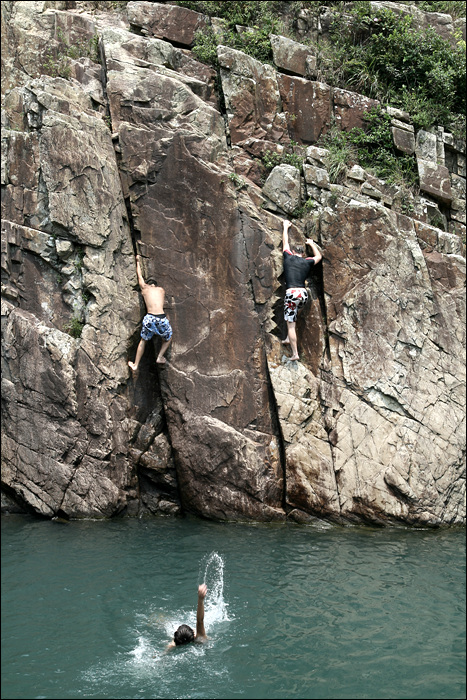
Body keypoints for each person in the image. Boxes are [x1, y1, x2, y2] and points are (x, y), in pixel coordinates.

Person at [281, 219, 322, 361]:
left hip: (292, 293)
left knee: (291, 323)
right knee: (292, 316)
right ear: (303, 254)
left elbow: (285, 242)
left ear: (293, 252)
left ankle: (295, 354)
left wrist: (285, 227)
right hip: (303, 295)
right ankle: (287, 338)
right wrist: (311, 243)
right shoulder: (307, 262)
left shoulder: (287, 256)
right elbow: (319, 256)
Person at [128, 254, 172, 371]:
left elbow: (139, 276)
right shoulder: (161, 290)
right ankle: (160, 356)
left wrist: (137, 261)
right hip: (161, 318)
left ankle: (135, 365)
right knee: (168, 338)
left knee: (143, 341)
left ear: (148, 284)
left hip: (150, 318)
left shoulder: (145, 288)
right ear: (156, 285)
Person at [166, 584, 208, 650]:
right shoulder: (200, 640)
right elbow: (200, 620)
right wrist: (200, 599)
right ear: (194, 635)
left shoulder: (173, 645)